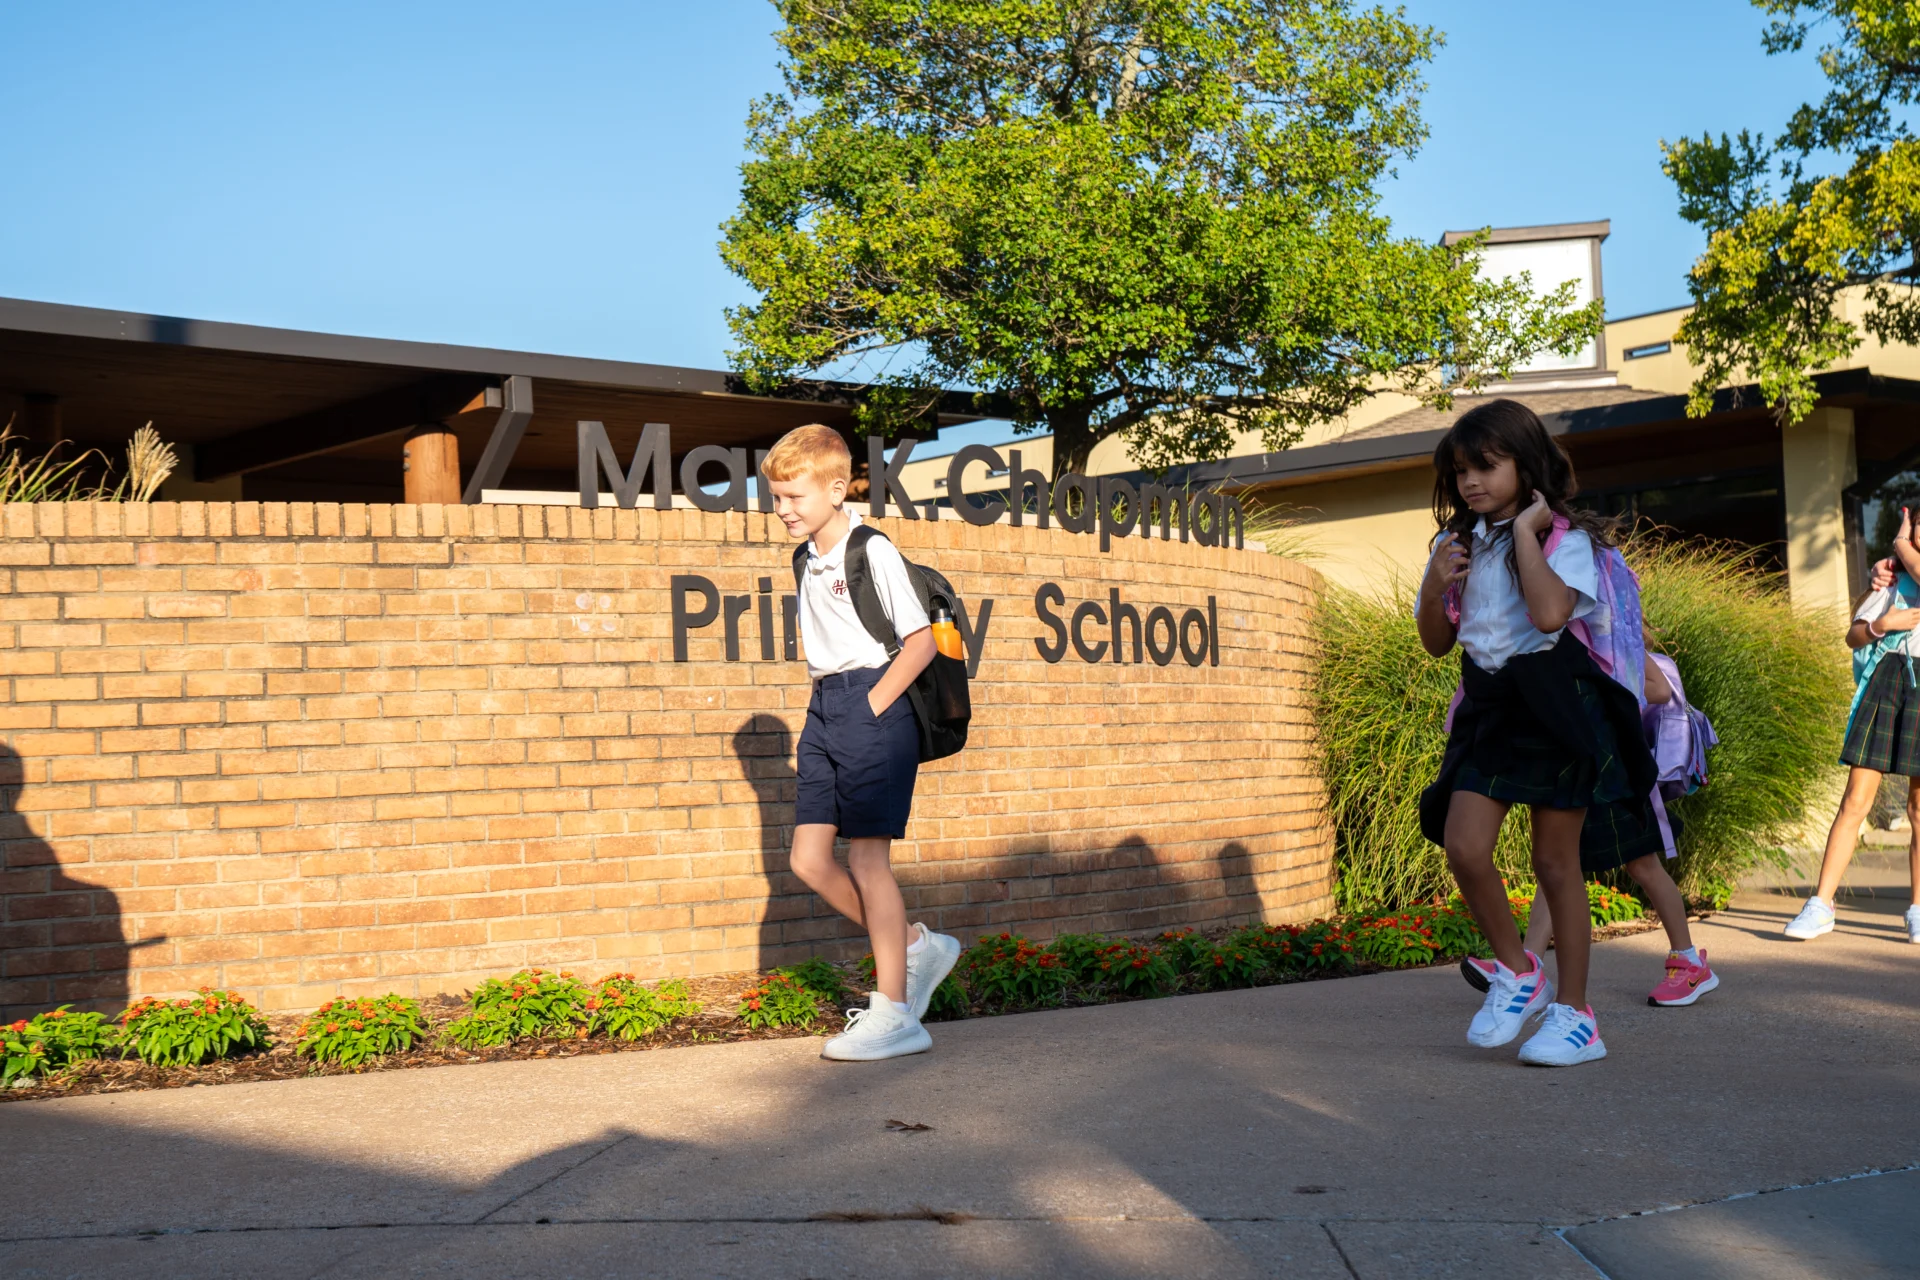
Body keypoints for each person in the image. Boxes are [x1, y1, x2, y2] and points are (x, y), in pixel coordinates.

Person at [1416, 399, 1661, 1067]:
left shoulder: (1563, 540)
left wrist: (1526, 533)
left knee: (1556, 866)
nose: (1470, 482)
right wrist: (1432, 588)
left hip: (1556, 703)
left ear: (1526, 465)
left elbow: (1551, 615)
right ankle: (1519, 970)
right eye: (1460, 471)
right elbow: (1439, 642)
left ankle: (1577, 1016)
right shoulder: (1453, 545)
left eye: (1486, 467)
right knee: (1464, 846)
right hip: (1492, 706)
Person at [761, 424, 963, 1060]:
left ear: (833, 487)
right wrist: (829, 712)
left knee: (868, 861)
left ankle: (896, 1014)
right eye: (776, 498)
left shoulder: (869, 548)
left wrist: (873, 705)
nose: (784, 510)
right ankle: (913, 947)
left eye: (794, 496)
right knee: (808, 861)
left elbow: (921, 641)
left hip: (872, 703)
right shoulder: (805, 559)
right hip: (824, 707)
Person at [1467, 629, 1720, 1007]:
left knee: (1642, 864)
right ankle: (1526, 966)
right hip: (1583, 768)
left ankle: (1688, 961)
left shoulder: (1610, 639)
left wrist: (1602, 688)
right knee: (1557, 867)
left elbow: (1659, 689)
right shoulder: (1559, 640)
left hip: (1616, 775)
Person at [1783, 508, 1920, 945]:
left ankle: (1918, 908)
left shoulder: (1901, 562)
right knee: (1855, 801)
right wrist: (1883, 623)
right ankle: (1820, 904)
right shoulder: (1893, 578)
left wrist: (1898, 544)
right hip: (1887, 684)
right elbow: (1854, 635)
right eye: (1919, 525)